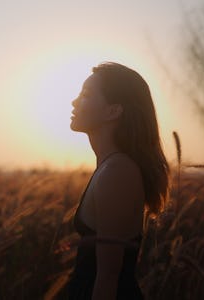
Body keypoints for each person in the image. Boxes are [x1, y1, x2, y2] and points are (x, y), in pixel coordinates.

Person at [67, 62, 170, 299]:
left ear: (113, 111)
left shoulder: (118, 171)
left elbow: (108, 276)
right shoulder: (109, 166)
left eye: (86, 95)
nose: (74, 102)